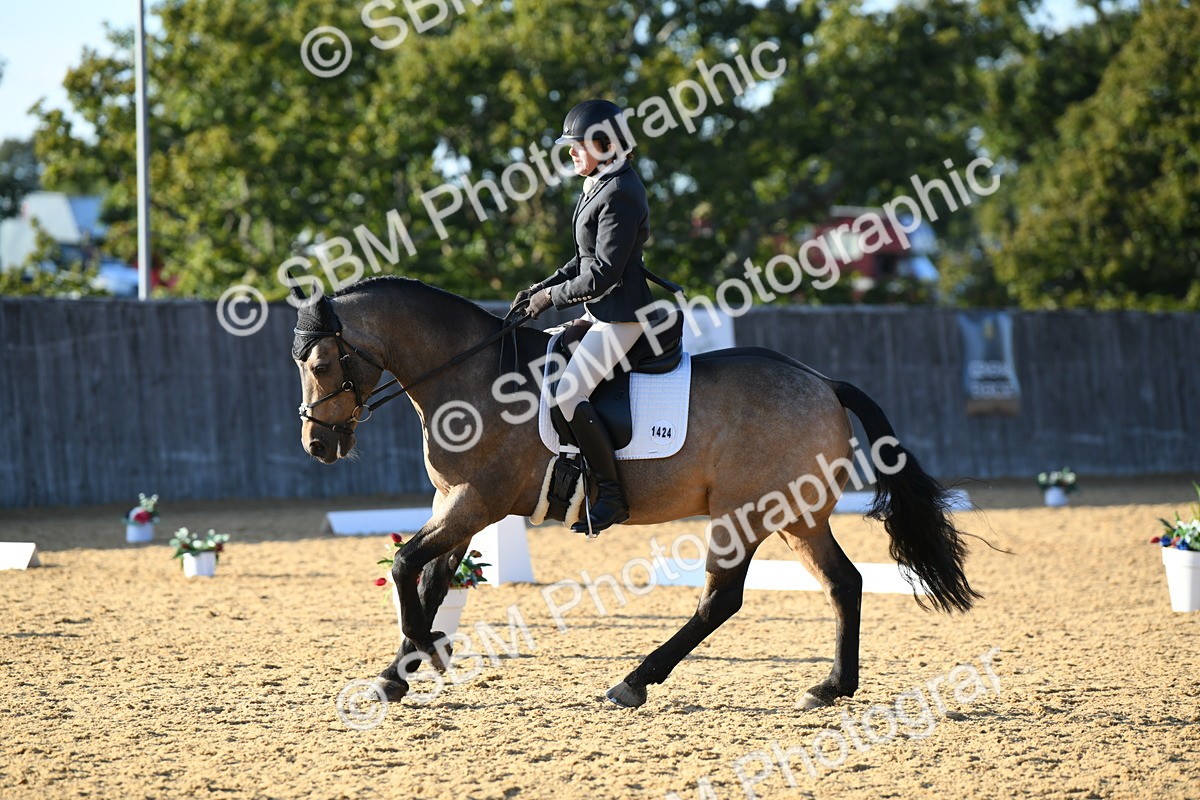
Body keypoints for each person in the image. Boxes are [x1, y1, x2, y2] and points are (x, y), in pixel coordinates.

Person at [512, 98, 654, 534]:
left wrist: (551, 298)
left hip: (621, 317)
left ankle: (611, 495)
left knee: (569, 396)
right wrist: (540, 288)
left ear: (605, 144)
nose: (571, 152)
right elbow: (581, 260)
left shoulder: (622, 193)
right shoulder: (600, 184)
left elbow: (603, 275)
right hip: (600, 314)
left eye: (578, 145)